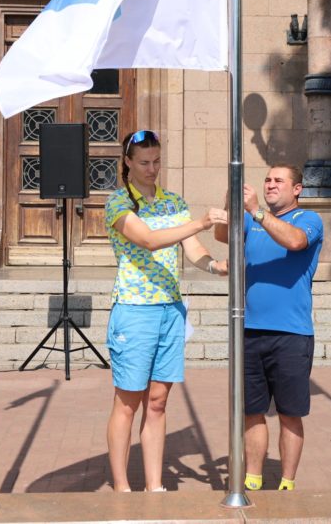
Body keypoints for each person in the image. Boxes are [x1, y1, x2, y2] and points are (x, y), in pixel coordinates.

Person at [104, 130, 228, 493]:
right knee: (128, 401)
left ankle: (155, 486)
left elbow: (191, 250)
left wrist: (214, 267)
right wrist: (201, 222)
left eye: (157, 161)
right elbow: (148, 239)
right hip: (134, 310)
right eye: (144, 162)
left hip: (171, 311)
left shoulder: (173, 202)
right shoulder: (117, 203)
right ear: (128, 162)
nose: (152, 168)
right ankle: (122, 486)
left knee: (157, 402)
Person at [215, 164, 323, 492]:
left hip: (292, 334)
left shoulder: (308, 220)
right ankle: (253, 477)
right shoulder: (250, 219)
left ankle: (287, 482)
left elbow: (294, 242)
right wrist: (232, 196)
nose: (271, 184)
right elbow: (222, 235)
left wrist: (257, 212)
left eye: (279, 181)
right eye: (267, 179)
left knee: (290, 413)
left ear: (297, 189)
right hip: (250, 330)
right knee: (252, 411)